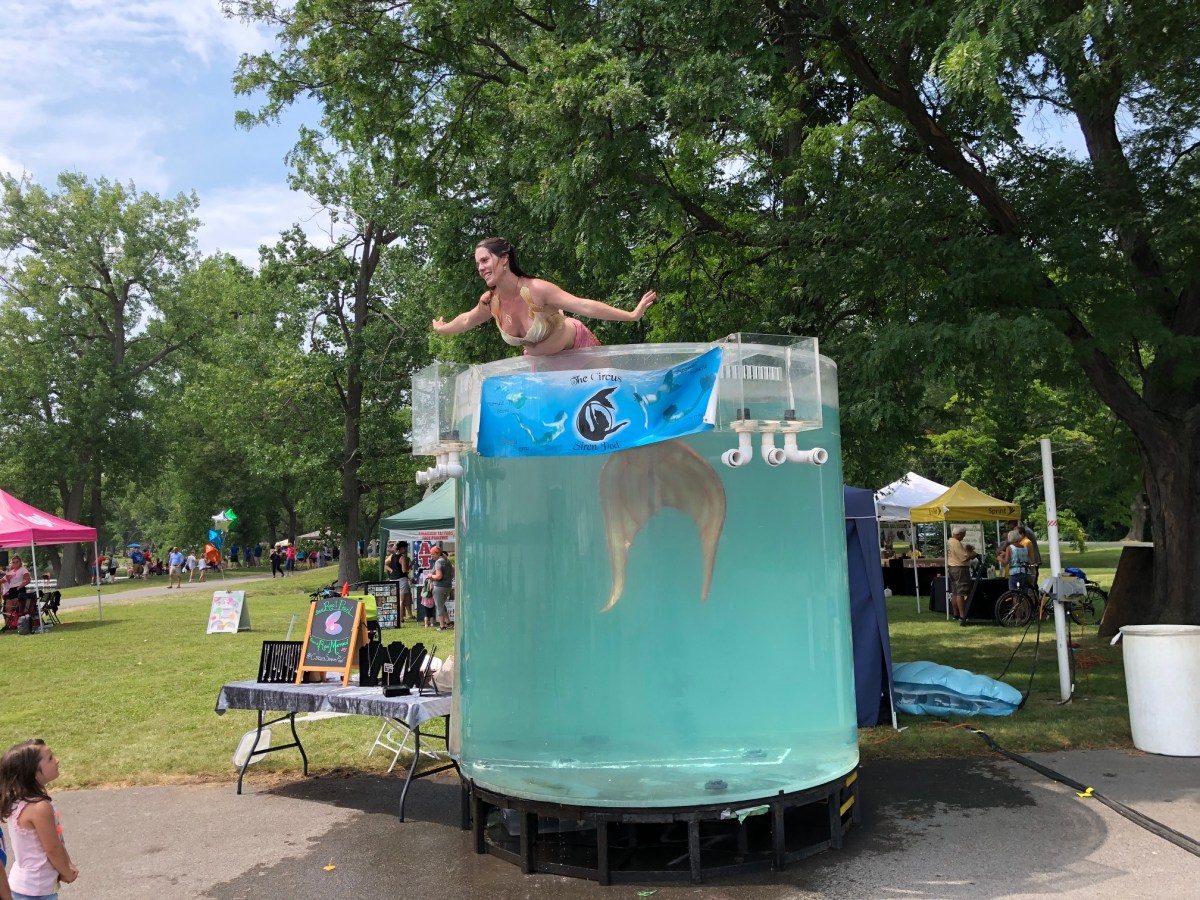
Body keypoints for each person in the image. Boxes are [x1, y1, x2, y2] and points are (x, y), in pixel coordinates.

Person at [431, 237, 657, 356]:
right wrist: (443, 329)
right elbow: (467, 320)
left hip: (580, 353)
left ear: (504, 258)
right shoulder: (491, 302)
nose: (480, 268)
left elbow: (583, 306)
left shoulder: (536, 290)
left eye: (484, 260)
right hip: (543, 368)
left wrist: (631, 315)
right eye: (477, 264)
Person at [0, 739, 79, 897]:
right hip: (35, 891)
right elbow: (52, 848)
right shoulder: (39, 807)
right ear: (33, 772)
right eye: (49, 758)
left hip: (28, 886)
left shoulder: (21, 801)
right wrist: (66, 871)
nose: (56, 760)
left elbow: (56, 839)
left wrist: (67, 863)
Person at [946, 527, 978, 625]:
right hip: (960, 569)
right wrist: (973, 553)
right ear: (959, 534)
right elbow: (965, 557)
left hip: (952, 567)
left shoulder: (949, 541)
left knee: (955, 592)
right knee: (961, 592)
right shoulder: (956, 543)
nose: (963, 537)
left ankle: (956, 614)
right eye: (963, 535)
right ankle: (962, 616)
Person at [1, 555, 33, 630]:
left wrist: (20, 586)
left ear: (20, 562)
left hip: (19, 589)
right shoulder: (11, 572)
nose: (15, 563)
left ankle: (19, 624)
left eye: (17, 562)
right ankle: (8, 626)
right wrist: (8, 579)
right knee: (8, 609)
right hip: (11, 590)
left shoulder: (23, 569)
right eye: (13, 562)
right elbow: (3, 581)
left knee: (18, 609)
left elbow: (27, 580)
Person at [428, 545, 454, 631]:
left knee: (439, 606)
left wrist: (431, 575)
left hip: (439, 587)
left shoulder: (438, 562)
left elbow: (439, 576)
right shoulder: (447, 560)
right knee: (442, 605)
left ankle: (442, 626)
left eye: (432, 554)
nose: (431, 556)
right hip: (447, 586)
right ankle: (448, 623)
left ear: (437, 553)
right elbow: (453, 572)